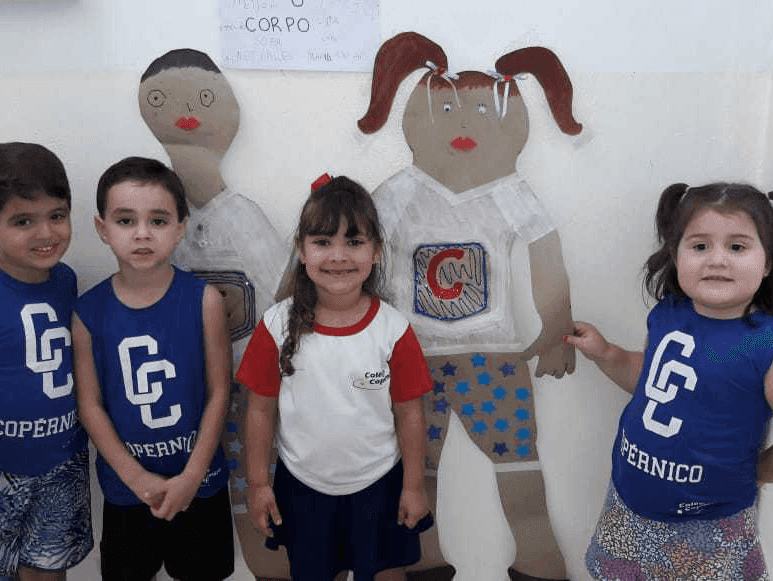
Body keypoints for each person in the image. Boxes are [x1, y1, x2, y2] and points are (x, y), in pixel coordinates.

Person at [358, 32, 582, 581]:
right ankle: (421, 563)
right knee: (416, 470)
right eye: (447, 110)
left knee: (519, 462)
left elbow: (545, 252)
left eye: (483, 111)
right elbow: (358, 249)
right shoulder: (399, 191)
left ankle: (538, 562)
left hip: (495, 355)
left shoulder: (509, 192)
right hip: (411, 357)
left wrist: (556, 328)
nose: (464, 125)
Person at [566, 182, 773, 581]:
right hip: (630, 501)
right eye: (700, 246)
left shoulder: (765, 343)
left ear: (767, 263)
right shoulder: (669, 312)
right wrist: (606, 353)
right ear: (676, 255)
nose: (717, 260)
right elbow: (652, 382)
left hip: (712, 523)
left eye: (737, 247)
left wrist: (760, 471)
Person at [237, 175, 435, 581]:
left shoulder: (393, 329)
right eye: (323, 242)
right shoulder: (275, 326)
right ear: (302, 250)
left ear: (376, 250)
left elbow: (410, 414)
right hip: (303, 487)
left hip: (380, 484)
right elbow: (259, 411)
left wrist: (413, 486)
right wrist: (257, 485)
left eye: (354, 241)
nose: (339, 256)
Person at [138, 49, 289, 579]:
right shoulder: (156, 225)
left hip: (247, 389)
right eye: (164, 99)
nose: (187, 112)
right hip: (174, 397)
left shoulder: (243, 216)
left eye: (206, 99)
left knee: (256, 491)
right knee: (188, 499)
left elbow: (281, 298)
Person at [72, 157, 233, 581]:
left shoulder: (204, 301)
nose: (142, 233)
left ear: (180, 228)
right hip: (127, 490)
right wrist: (137, 478)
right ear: (102, 228)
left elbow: (220, 392)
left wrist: (192, 476)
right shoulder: (87, 312)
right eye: (126, 220)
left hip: (200, 483)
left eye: (158, 221)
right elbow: (90, 406)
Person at [0, 142, 92, 581]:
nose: (46, 233)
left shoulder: (66, 280)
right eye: (23, 221)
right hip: (4, 467)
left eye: (57, 215)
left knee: (48, 572)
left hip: (62, 462)